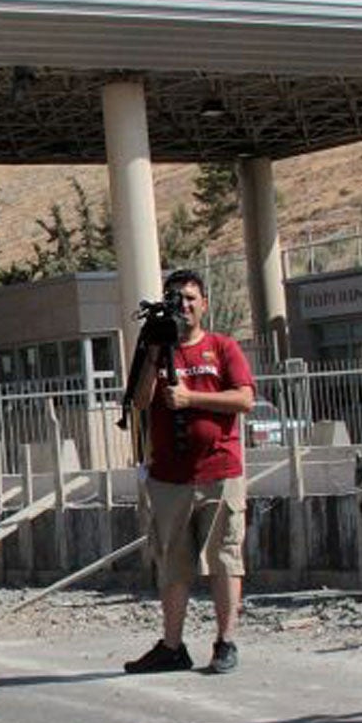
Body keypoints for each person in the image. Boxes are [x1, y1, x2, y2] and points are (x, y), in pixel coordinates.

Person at [123, 268, 255, 677]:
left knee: (225, 559)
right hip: (170, 478)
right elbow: (141, 401)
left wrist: (192, 397)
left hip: (219, 470)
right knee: (173, 563)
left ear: (204, 305)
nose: (183, 306)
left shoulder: (222, 347)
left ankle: (226, 641)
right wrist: (152, 351)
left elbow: (245, 399)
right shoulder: (158, 351)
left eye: (190, 300)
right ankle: (172, 644)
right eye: (176, 299)